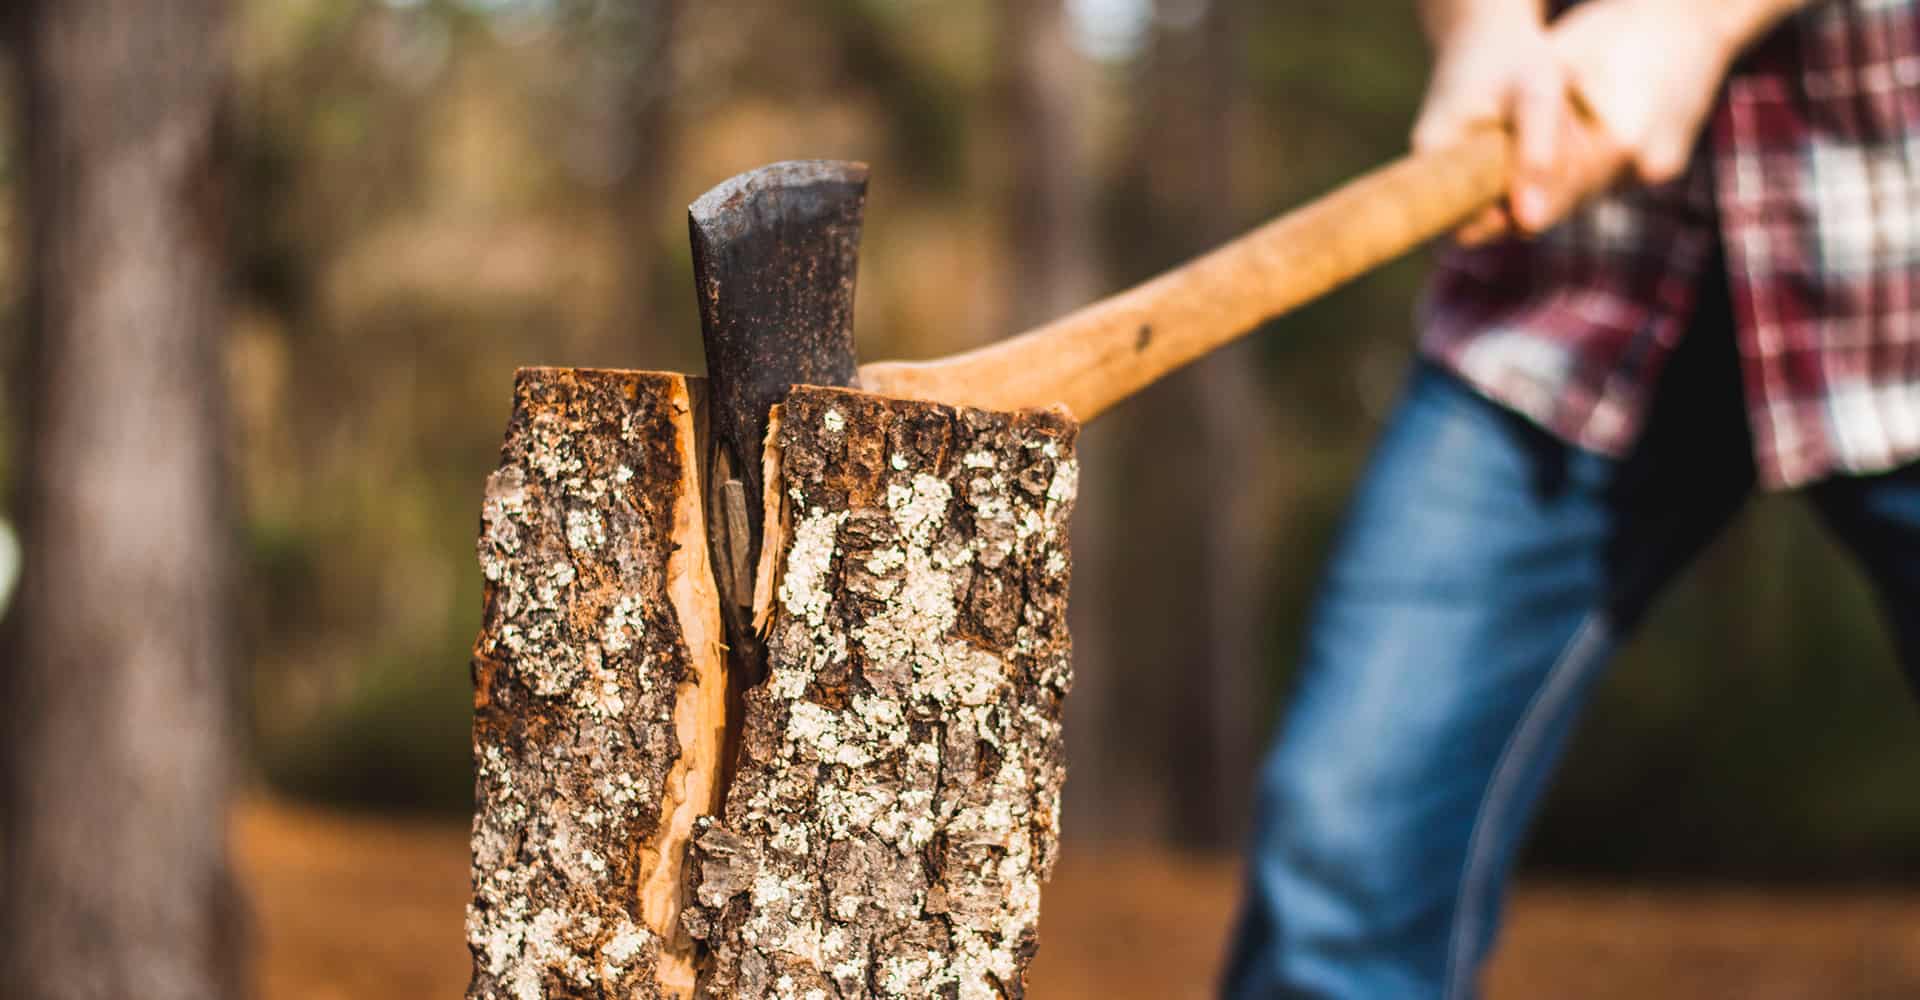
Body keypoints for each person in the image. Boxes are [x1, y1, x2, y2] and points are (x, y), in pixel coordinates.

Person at [1226, 0, 1920, 996]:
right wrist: (1481, 24)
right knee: (1342, 851)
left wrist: (1691, 19)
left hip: (1892, 259)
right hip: (1570, 298)